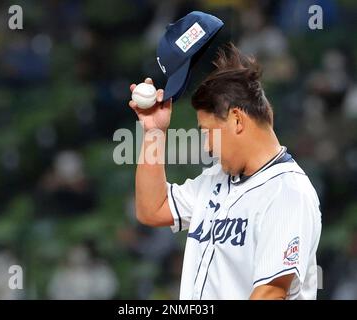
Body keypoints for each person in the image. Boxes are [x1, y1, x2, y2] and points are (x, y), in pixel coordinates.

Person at [128, 43, 322, 300]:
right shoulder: (215, 179)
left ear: (237, 120)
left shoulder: (287, 192)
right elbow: (152, 209)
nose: (208, 146)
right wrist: (153, 132)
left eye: (208, 132)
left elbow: (270, 293)